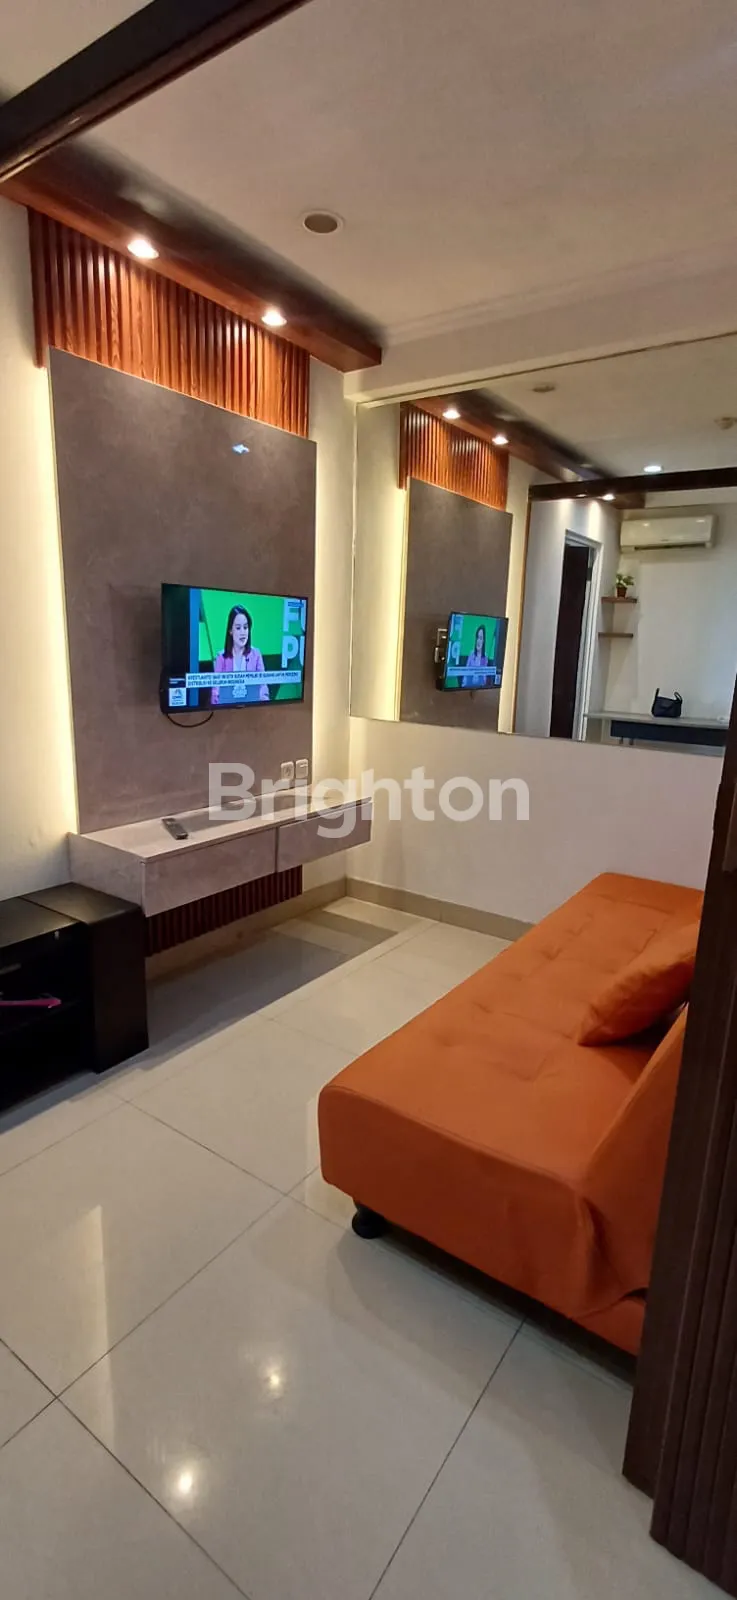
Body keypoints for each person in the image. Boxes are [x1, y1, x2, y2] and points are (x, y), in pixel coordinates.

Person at [211, 604, 270, 705]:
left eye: (245, 627)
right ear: (230, 631)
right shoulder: (221, 657)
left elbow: (263, 687)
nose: (243, 632)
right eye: (238, 628)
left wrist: (261, 703)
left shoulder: (256, 655)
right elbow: (215, 692)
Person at [462, 624, 490, 689]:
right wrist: (463, 687)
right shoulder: (471, 654)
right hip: (467, 687)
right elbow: (465, 674)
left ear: (483, 641)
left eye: (480, 638)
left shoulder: (485, 658)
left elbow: (484, 679)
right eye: (477, 637)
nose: (478, 641)